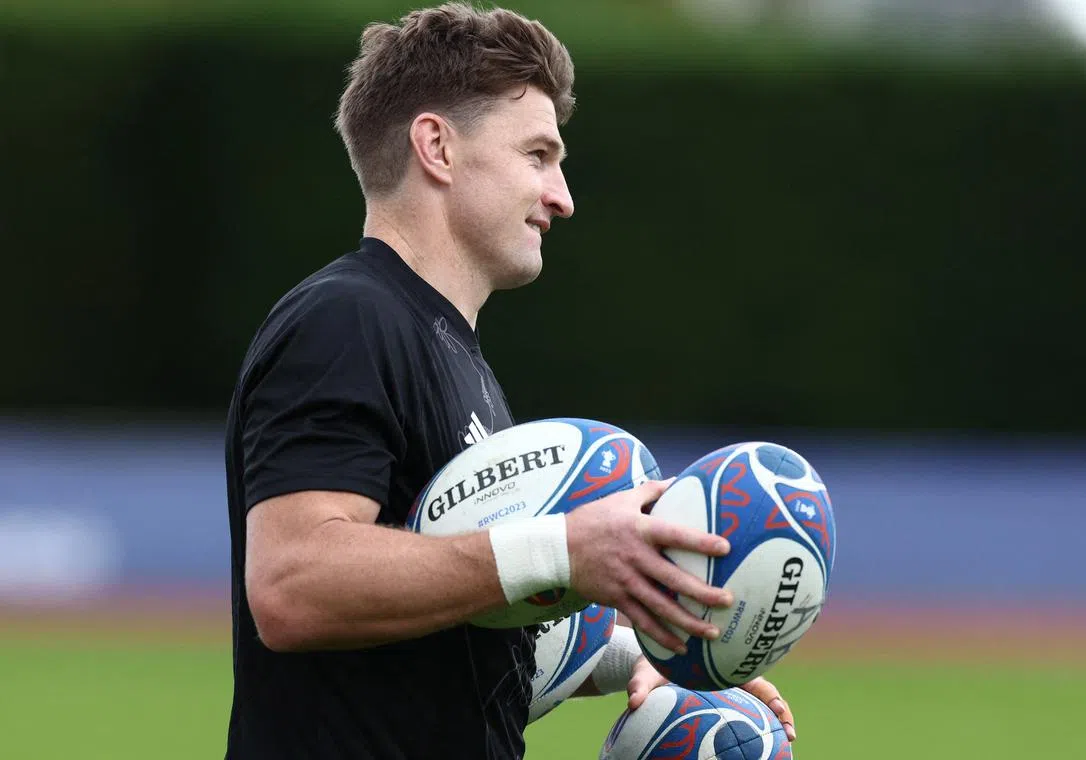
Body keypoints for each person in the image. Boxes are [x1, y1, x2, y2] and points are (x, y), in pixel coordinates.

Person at [223, 4, 795, 758]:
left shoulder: (454, 356)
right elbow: (294, 584)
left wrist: (639, 658)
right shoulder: (348, 320)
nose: (562, 195)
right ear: (438, 147)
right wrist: (562, 549)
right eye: (537, 155)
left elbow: (446, 632)